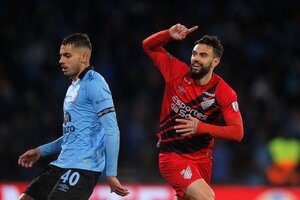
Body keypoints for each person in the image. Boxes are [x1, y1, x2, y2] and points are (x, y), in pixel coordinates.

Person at [18, 33, 129, 200]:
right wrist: (41, 151)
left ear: (84, 57)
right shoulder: (73, 87)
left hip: (83, 168)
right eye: (60, 55)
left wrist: (111, 174)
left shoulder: (95, 84)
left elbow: (112, 130)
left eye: (67, 55)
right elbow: (73, 135)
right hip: (61, 164)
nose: (61, 60)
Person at [142, 24, 244, 200]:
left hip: (203, 159)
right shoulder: (176, 72)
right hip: (173, 156)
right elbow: (148, 45)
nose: (196, 58)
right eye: (194, 54)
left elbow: (237, 132)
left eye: (203, 55)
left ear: (215, 62)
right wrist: (168, 35)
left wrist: (200, 127)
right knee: (207, 197)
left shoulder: (224, 92)